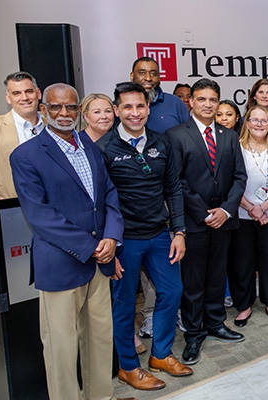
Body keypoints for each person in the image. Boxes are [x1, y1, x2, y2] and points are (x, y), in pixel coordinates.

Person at [11, 83, 123, 400]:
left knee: (100, 340)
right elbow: (39, 215)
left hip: (100, 263)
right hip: (62, 264)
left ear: (78, 110)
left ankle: (100, 396)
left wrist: (112, 237)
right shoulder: (26, 155)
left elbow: (108, 195)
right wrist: (93, 247)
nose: (64, 113)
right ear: (43, 109)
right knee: (61, 348)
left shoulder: (88, 146)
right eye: (56, 107)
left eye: (70, 107)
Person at [96, 81, 192, 390]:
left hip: (161, 235)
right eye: (127, 106)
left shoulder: (162, 143)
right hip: (125, 241)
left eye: (140, 106)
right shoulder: (104, 148)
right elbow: (99, 202)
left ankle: (161, 354)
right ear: (116, 110)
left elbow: (173, 188)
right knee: (124, 304)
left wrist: (179, 231)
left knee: (172, 291)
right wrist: (110, 244)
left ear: (148, 108)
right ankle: (127, 366)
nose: (135, 112)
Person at [167, 78, 248, 365]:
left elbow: (240, 178)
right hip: (194, 221)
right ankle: (193, 332)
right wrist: (204, 213)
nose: (207, 104)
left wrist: (225, 210)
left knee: (216, 275)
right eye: (201, 99)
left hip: (223, 220)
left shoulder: (228, 136)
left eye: (213, 99)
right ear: (191, 101)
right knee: (193, 280)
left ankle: (215, 322)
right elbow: (176, 181)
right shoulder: (176, 135)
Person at [227, 105, 268, 327]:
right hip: (243, 214)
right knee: (242, 263)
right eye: (254, 120)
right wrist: (251, 208)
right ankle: (244, 306)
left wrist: (262, 207)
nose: (259, 124)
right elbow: (230, 182)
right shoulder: (236, 147)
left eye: (263, 121)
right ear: (246, 123)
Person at [0, 71, 45, 200]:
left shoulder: (52, 126)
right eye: (16, 93)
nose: (24, 98)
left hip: (52, 206)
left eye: (29, 91)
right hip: (12, 208)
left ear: (38, 93)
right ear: (8, 98)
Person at [130, 57, 190, 133]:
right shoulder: (121, 105)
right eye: (142, 73)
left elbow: (190, 137)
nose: (148, 78)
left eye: (153, 74)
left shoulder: (175, 103)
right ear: (132, 76)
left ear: (159, 77)